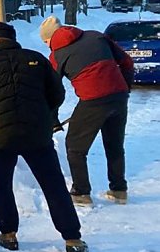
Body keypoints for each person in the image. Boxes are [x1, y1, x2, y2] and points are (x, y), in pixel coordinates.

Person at [0, 22, 88, 252]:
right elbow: (58, 94)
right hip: (37, 133)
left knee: (3, 185)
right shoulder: (37, 59)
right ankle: (73, 238)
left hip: (1, 135)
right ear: (13, 39)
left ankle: (8, 235)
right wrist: (44, 114)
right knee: (53, 185)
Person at [39, 16, 134, 205]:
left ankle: (81, 192)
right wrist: (125, 88)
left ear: (50, 38)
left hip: (92, 101)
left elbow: (52, 90)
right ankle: (119, 190)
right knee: (114, 145)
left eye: (46, 41)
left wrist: (53, 122)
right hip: (119, 97)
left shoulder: (57, 55)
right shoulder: (96, 36)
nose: (47, 45)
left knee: (75, 147)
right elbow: (127, 62)